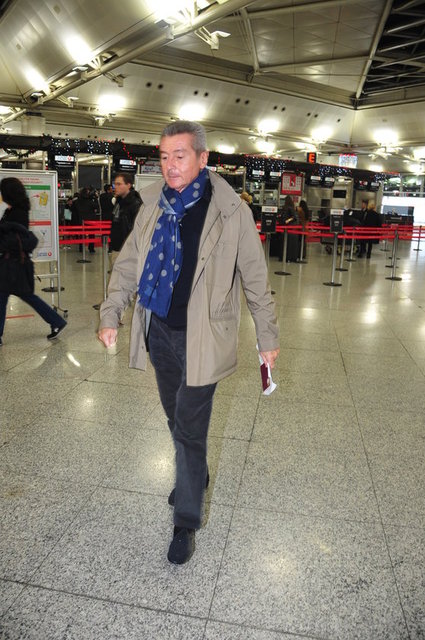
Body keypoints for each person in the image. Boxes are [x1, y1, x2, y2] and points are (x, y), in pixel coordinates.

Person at [98, 120, 279, 565]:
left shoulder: (231, 211)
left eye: (179, 156)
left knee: (191, 428)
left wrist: (267, 336)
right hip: (159, 330)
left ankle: (185, 521)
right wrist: (111, 312)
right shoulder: (153, 205)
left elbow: (255, 278)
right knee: (174, 417)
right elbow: (129, 264)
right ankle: (193, 469)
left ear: (202, 158)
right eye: (164, 156)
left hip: (205, 337)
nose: (170, 165)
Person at [0, 177, 67, 346]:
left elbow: (13, 240)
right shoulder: (14, 210)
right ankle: (57, 321)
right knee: (21, 295)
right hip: (15, 263)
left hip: (14, 263)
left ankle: (57, 321)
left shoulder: (17, 213)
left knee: (13, 296)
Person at [109, 173, 142, 266]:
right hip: (116, 247)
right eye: (115, 184)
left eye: (119, 184)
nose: (115, 187)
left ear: (128, 185)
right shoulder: (119, 202)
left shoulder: (135, 204)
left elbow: (137, 228)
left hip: (129, 249)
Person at [72, 186, 99, 253]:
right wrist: (96, 198)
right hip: (90, 221)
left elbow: (73, 210)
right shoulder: (90, 201)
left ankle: (81, 248)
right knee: (91, 235)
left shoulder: (77, 201)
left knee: (81, 235)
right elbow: (97, 206)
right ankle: (91, 248)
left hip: (81, 220)